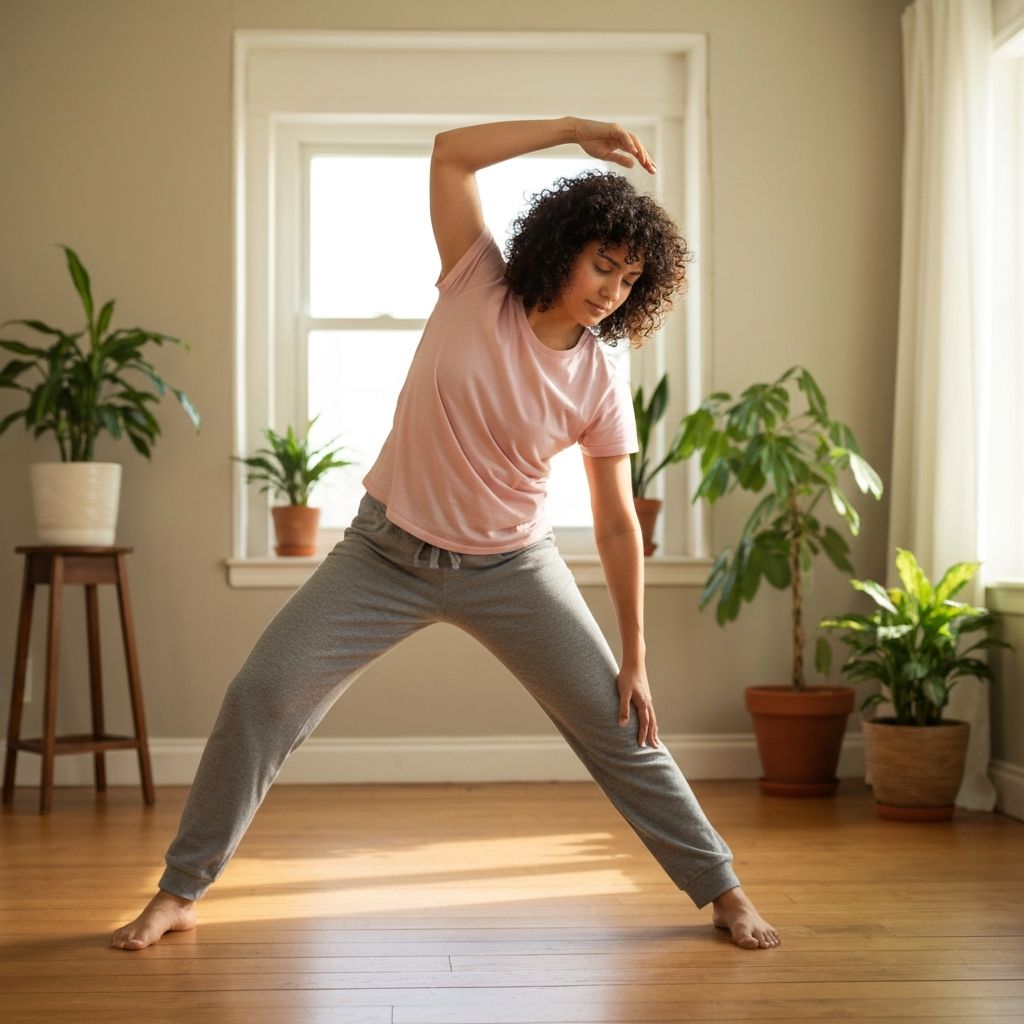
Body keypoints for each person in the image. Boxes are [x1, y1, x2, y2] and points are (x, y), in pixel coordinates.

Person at [112, 117, 780, 952]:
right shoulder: (478, 281)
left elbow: (614, 520)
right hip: (383, 553)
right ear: (563, 248)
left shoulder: (601, 380)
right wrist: (571, 129)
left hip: (512, 566)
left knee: (623, 729)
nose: (611, 288)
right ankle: (181, 891)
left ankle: (721, 890)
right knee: (261, 695)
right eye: (601, 263)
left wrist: (635, 654)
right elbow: (450, 152)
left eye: (630, 277)